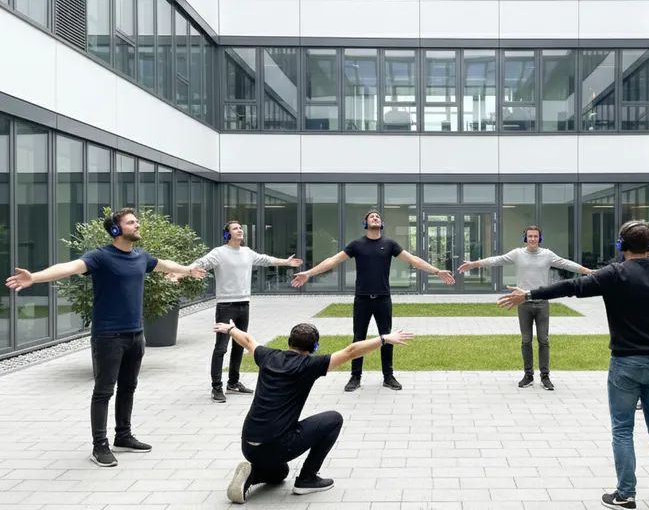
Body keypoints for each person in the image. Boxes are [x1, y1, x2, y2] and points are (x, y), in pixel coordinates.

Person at [497, 221, 649, 510]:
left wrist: (528, 294)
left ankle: (625, 495)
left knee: (622, 430)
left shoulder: (614, 274)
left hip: (625, 363)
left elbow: (571, 287)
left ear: (620, 246)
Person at [5, 208, 206, 468]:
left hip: (135, 334)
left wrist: (188, 270)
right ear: (115, 229)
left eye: (137, 221)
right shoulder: (100, 257)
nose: (138, 225)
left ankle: (123, 436)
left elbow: (165, 265)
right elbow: (67, 268)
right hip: (108, 336)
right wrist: (35, 277)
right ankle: (99, 445)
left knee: (128, 387)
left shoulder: (140, 256)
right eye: (131, 222)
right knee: (103, 391)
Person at [217, 319, 414, 504]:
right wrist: (385, 338)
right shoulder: (309, 365)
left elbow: (248, 340)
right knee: (333, 419)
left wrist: (230, 329)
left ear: (289, 342)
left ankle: (251, 475)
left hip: (248, 444)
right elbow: (352, 351)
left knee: (280, 474)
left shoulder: (268, 356)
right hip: (277, 445)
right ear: (314, 348)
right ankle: (307, 478)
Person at [291, 210, 454, 391]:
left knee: (388, 338)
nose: (375, 218)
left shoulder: (390, 244)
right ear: (365, 223)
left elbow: (413, 260)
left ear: (381, 223)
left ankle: (388, 376)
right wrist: (308, 273)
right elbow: (332, 260)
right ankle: (355, 376)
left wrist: (437, 272)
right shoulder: (357, 245)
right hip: (362, 299)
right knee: (358, 338)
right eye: (371, 217)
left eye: (378, 217)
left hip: (383, 298)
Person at [457, 225, 594, 390]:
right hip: (522, 302)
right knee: (526, 340)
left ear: (540, 238)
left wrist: (588, 272)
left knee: (544, 340)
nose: (533, 239)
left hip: (542, 302)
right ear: (525, 238)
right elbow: (496, 260)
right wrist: (473, 264)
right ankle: (528, 375)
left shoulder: (547, 255)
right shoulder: (517, 254)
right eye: (530, 236)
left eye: (536, 236)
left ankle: (545, 376)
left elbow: (566, 264)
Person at [189, 220, 304, 403]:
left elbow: (265, 259)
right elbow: (201, 263)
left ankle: (233, 382)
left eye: (240, 228)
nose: (240, 230)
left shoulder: (247, 252)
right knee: (221, 347)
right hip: (226, 305)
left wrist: (286, 262)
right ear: (227, 234)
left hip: (244, 304)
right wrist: (181, 272)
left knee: (239, 345)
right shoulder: (219, 253)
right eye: (235, 228)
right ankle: (216, 387)